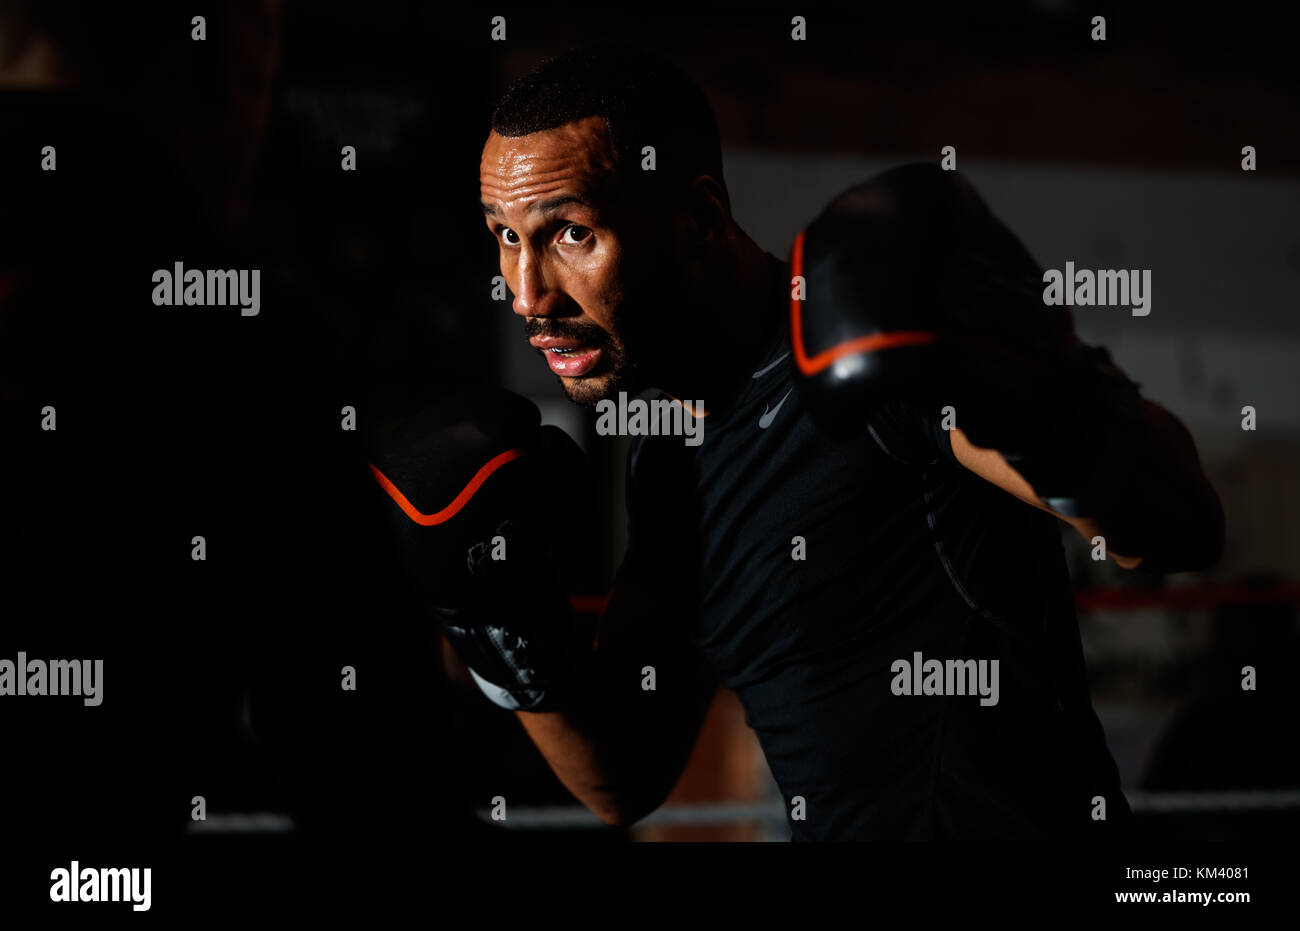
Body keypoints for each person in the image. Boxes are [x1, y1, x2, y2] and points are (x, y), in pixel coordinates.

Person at [373, 44, 1224, 840]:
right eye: (505, 237)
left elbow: (1180, 526)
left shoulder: (856, 350)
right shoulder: (670, 459)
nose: (526, 294)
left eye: (571, 234)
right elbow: (626, 776)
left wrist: (1039, 377)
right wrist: (505, 632)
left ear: (700, 216)